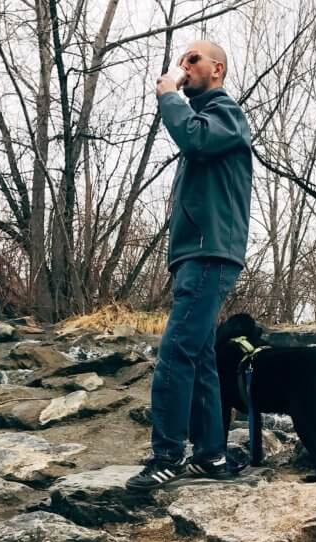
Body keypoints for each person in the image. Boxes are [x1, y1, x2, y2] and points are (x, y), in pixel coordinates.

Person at [125, 40, 253, 492]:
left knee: (176, 351)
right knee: (198, 355)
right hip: (194, 255)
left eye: (192, 60)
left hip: (210, 253)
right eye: (181, 61)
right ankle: (210, 455)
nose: (183, 65)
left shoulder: (226, 116)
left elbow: (193, 137)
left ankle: (166, 456)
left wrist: (168, 94)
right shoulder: (205, 119)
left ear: (216, 69)